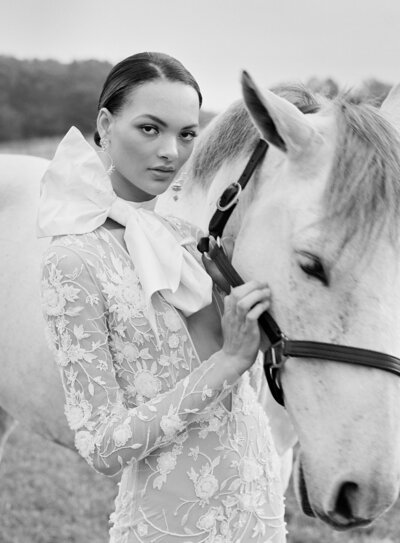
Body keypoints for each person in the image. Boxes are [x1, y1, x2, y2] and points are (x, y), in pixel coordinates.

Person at [37, 52, 287, 542]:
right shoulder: (74, 262)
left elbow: (242, 391)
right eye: (150, 129)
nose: (171, 151)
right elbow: (102, 446)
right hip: (170, 526)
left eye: (187, 133)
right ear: (105, 124)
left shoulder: (192, 241)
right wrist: (231, 359)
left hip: (260, 511)